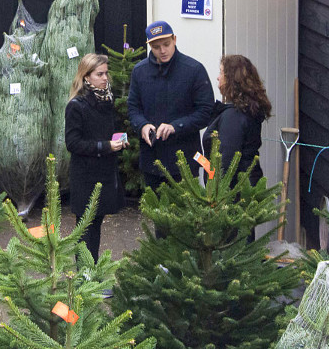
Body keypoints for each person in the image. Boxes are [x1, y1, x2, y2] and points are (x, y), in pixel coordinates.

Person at [127, 20, 215, 189]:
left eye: (166, 44)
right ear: (150, 46)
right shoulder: (140, 71)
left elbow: (206, 111)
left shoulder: (194, 70)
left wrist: (176, 126)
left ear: (175, 39)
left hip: (186, 159)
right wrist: (143, 125)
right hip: (152, 160)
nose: (162, 51)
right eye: (156, 47)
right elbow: (133, 108)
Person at [63, 54, 126, 255]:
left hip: (104, 173)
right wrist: (105, 146)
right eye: (99, 74)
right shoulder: (76, 106)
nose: (105, 78)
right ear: (86, 77)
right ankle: (83, 278)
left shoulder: (106, 101)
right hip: (85, 176)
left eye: (106, 73)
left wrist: (119, 140)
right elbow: (72, 143)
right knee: (85, 230)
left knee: (97, 224)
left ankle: (93, 274)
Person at [205, 54, 272, 184]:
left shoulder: (233, 116)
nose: (218, 77)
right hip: (248, 184)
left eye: (221, 72)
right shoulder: (246, 111)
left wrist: (214, 194)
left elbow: (226, 163)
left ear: (231, 79)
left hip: (235, 194)